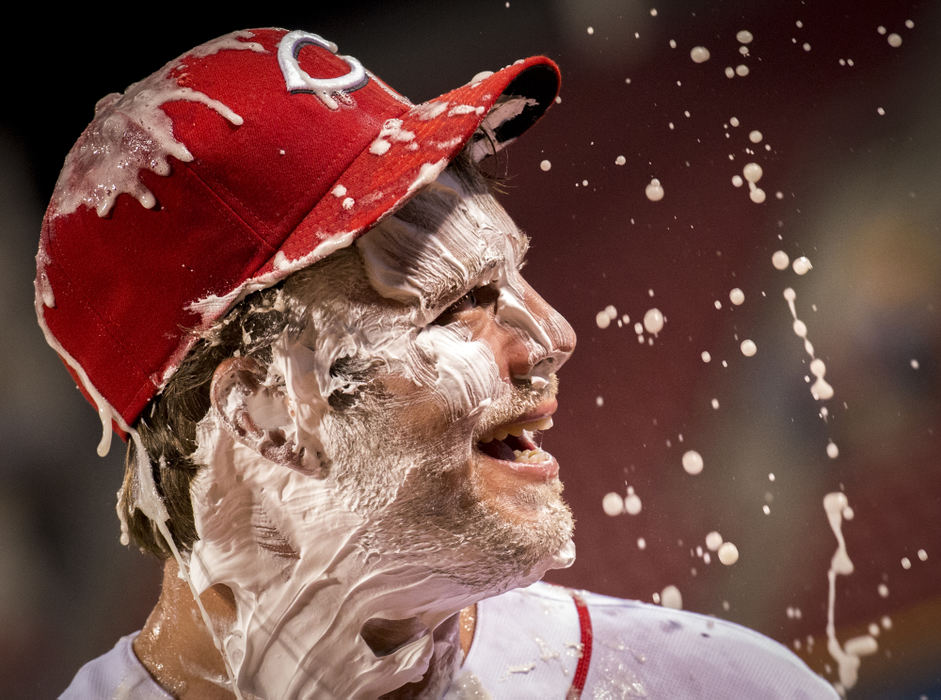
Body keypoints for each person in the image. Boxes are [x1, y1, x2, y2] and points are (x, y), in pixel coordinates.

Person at [40, 28, 837, 698]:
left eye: (516, 276)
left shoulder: (718, 684)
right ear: (267, 412)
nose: (554, 335)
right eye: (457, 303)